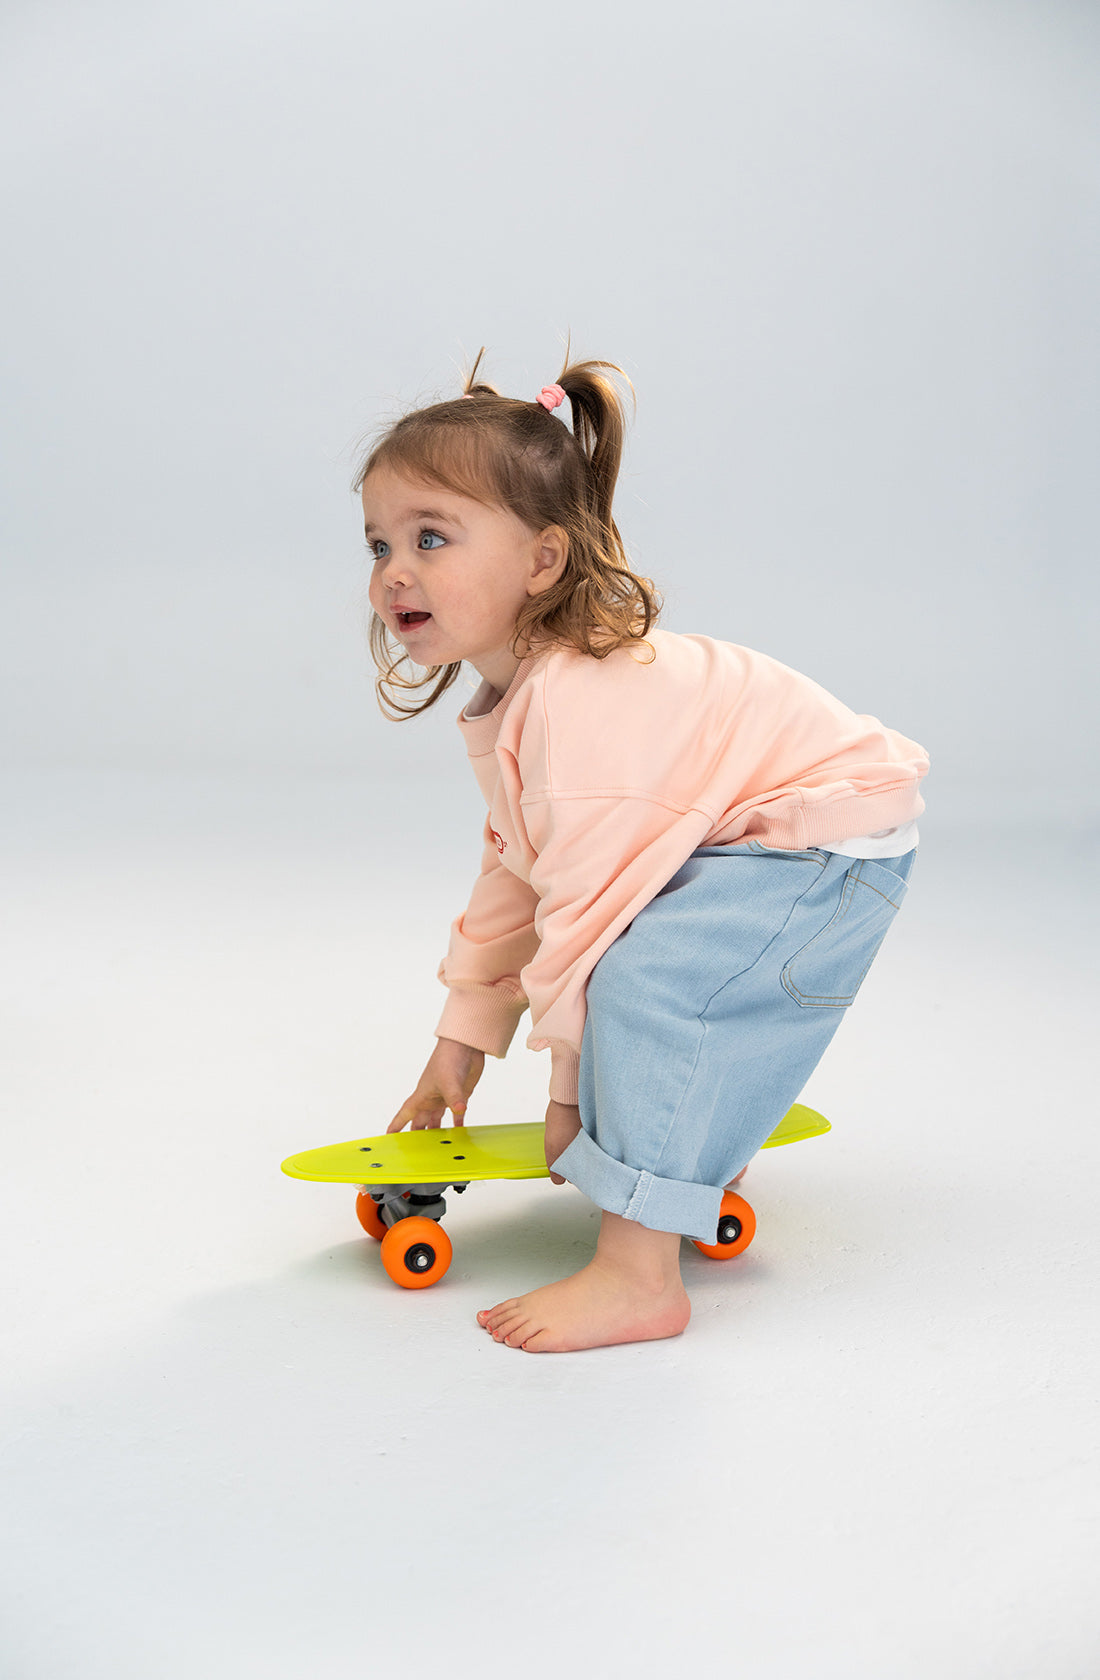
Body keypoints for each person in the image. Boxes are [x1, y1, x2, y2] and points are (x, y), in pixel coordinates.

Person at [355, 344, 930, 1354]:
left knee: (645, 986)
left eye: (432, 537)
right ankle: (684, 1149)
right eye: (378, 545)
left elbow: (586, 912)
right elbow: (517, 878)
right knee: (635, 975)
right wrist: (457, 1051)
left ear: (542, 559)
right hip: (769, 838)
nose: (396, 572)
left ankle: (635, 1277)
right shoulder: (522, 699)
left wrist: (569, 1096)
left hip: (822, 846)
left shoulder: (579, 707)